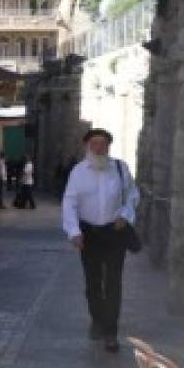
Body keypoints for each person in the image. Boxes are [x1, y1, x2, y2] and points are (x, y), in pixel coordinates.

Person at [61, 128, 139, 353]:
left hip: (114, 232)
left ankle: (110, 332)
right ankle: (97, 319)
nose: (98, 148)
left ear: (108, 146)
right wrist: (74, 231)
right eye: (94, 143)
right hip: (89, 234)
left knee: (113, 282)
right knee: (93, 282)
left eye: (103, 144)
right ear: (87, 146)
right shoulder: (78, 172)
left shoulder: (120, 168)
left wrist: (125, 216)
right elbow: (70, 202)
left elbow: (132, 195)